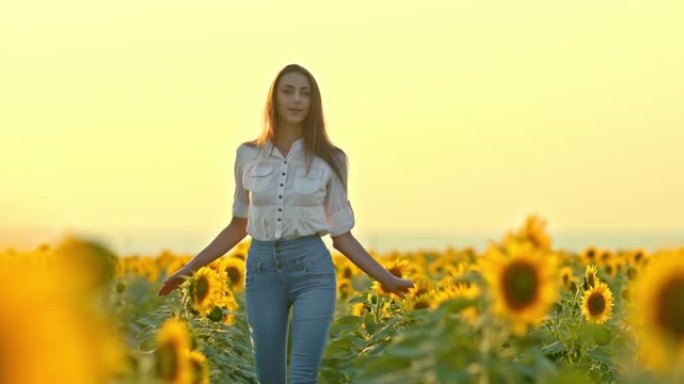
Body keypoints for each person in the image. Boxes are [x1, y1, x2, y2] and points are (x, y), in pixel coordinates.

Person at [158, 63, 415, 383]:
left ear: (314, 103)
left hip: (312, 271)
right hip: (262, 270)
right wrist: (188, 270)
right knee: (269, 377)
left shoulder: (332, 159)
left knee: (303, 376)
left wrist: (385, 278)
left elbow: (342, 235)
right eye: (288, 91)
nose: (297, 100)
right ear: (274, 99)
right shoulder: (248, 155)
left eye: (305, 93)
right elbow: (238, 225)